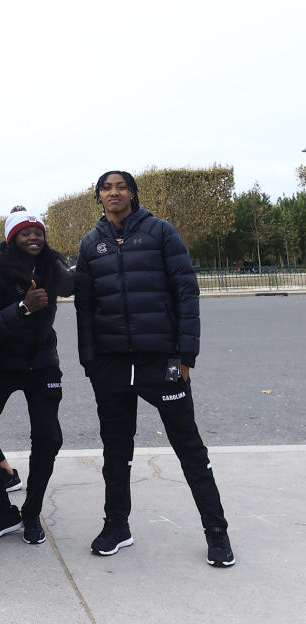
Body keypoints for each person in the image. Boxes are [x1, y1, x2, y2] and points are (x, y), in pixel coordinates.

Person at [75, 170, 234, 567]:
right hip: (112, 364)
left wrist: (186, 357)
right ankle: (117, 525)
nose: (114, 192)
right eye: (107, 188)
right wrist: (90, 363)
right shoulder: (90, 243)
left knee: (190, 449)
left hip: (160, 361)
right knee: (115, 451)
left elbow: (186, 292)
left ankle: (217, 532)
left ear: (132, 193)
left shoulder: (161, 232)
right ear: (99, 196)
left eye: (121, 186)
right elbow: (85, 309)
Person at [0, 208, 73, 546]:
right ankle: (1, 509)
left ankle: (31, 511)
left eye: (38, 231)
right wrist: (22, 308)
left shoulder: (51, 267)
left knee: (48, 437)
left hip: (41, 362)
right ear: (12, 239)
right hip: (0, 362)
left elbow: (81, 281)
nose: (33, 237)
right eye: (25, 232)